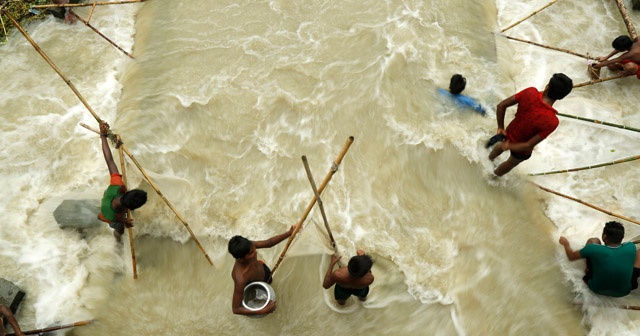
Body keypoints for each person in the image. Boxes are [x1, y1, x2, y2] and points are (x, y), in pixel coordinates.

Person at [487, 73, 573, 176]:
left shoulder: (530, 92)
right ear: (561, 97)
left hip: (509, 134)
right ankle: (492, 177)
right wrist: (510, 146)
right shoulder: (552, 121)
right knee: (510, 163)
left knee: (499, 147)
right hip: (521, 151)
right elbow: (528, 145)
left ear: (547, 87)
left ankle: (488, 160)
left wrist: (501, 127)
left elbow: (501, 106)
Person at [559, 221, 640, 297]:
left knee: (593, 240)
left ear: (604, 236)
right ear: (622, 237)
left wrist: (566, 243)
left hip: (596, 288)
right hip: (624, 291)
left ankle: (588, 269)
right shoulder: (630, 247)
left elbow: (571, 256)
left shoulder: (592, 248)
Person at [228, 226, 295, 316]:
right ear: (241, 259)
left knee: (271, 284)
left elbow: (269, 243)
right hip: (254, 285)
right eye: (251, 253)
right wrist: (262, 311)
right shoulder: (241, 278)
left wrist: (289, 233)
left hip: (264, 271)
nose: (255, 252)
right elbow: (236, 309)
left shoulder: (249, 246)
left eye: (253, 249)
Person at [97, 121, 147, 242]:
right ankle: (117, 239)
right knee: (120, 229)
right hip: (109, 215)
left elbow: (109, 160)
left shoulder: (117, 184)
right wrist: (124, 221)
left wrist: (103, 136)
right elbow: (103, 217)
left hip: (110, 195)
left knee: (119, 214)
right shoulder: (112, 215)